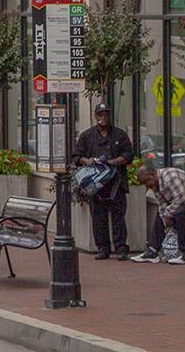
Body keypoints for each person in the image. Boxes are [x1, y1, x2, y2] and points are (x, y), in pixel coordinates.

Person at [75, 102, 134, 260]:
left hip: (116, 184)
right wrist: (89, 161)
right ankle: (102, 248)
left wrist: (114, 162)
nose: (103, 117)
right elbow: (76, 157)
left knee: (118, 218)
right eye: (100, 114)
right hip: (96, 185)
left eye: (106, 114)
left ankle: (121, 248)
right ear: (96, 116)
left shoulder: (120, 135)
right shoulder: (87, 136)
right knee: (98, 218)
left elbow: (129, 155)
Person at [130, 163, 185, 264]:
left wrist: (168, 214)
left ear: (152, 175)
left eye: (146, 182)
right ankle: (153, 250)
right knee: (160, 214)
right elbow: (162, 205)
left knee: (180, 213)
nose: (147, 186)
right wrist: (164, 216)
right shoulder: (155, 184)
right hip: (183, 202)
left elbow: (180, 199)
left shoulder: (170, 177)